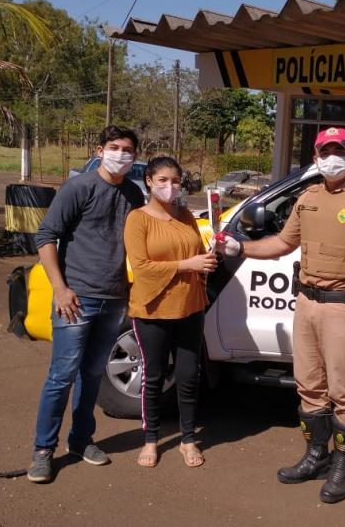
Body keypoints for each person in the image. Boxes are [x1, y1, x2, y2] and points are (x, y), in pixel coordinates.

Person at [215, 127, 345, 503]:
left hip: (344, 307)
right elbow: (284, 242)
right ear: (316, 157)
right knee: (309, 385)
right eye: (325, 151)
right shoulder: (309, 196)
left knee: (343, 391)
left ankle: (343, 467)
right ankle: (316, 455)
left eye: (340, 151)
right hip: (307, 303)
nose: (332, 158)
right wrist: (240, 248)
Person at [27, 126, 145, 483]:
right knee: (61, 376)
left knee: (92, 374)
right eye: (114, 147)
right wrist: (60, 289)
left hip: (114, 299)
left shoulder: (133, 194)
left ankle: (81, 440)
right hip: (76, 299)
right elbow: (46, 237)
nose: (121, 154)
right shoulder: (78, 188)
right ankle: (43, 451)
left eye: (128, 149)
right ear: (99, 150)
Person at [124, 155, 217, 468]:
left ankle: (188, 439)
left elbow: (198, 254)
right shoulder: (137, 219)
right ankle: (150, 439)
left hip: (190, 306)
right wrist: (187, 265)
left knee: (189, 377)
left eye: (175, 181)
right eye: (163, 180)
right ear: (149, 181)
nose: (170, 186)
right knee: (153, 378)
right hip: (152, 310)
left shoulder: (186, 215)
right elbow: (141, 267)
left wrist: (208, 258)